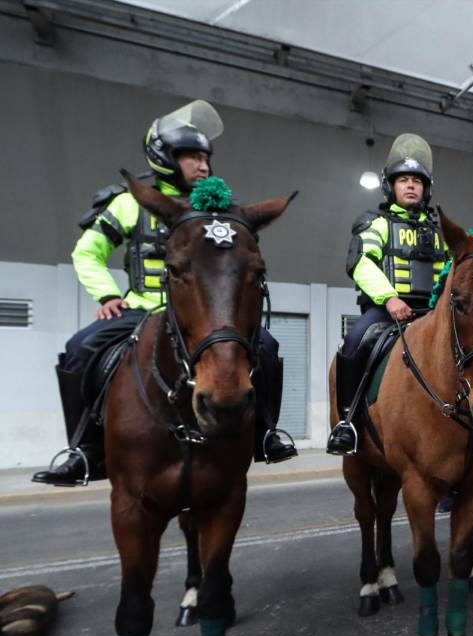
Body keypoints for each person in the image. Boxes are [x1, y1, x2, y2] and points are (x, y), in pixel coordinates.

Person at [32, 100, 294, 487]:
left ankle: (264, 434)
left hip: (200, 318)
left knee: (267, 349)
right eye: (191, 157)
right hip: (142, 308)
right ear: (163, 157)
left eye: (205, 158)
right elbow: (87, 252)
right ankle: (84, 448)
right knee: (79, 349)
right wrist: (107, 296)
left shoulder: (220, 214)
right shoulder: (128, 204)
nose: (203, 166)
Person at [326, 133, 451, 456]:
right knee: (354, 343)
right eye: (403, 180)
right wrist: (389, 298)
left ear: (426, 188)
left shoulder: (439, 232)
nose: (411, 186)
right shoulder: (376, 222)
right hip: (387, 309)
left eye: (417, 181)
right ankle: (347, 423)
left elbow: (451, 271)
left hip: (433, 312)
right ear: (391, 186)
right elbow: (361, 263)